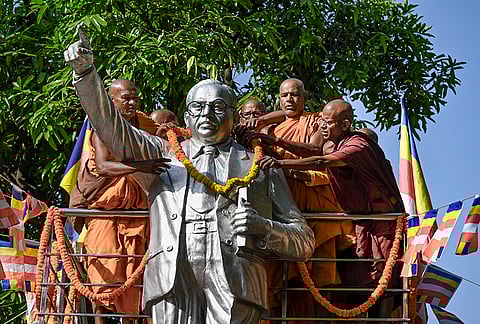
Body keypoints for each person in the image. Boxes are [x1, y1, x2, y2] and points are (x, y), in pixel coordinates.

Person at [64, 29, 315, 324]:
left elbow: (304, 242)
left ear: (233, 118)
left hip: (237, 285)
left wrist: (263, 227)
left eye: (218, 107)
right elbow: (110, 124)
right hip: (171, 282)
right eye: (198, 107)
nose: (206, 114)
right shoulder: (161, 155)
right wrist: (86, 72)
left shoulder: (259, 166)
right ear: (186, 117)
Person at [257, 99, 405, 321]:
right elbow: (315, 148)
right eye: (322, 122)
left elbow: (318, 161)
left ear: (345, 125)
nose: (322, 126)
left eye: (328, 122)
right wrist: (266, 131)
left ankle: (381, 321)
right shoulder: (335, 142)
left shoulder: (357, 146)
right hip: (360, 220)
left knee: (381, 271)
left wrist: (280, 164)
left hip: (382, 219)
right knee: (360, 272)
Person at [238, 79, 355, 322]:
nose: (290, 100)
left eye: (295, 95)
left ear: (304, 96)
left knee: (320, 275)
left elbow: (314, 151)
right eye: (285, 95)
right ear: (279, 99)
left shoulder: (315, 121)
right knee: (279, 275)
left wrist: (275, 143)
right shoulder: (273, 128)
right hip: (283, 204)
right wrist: (262, 125)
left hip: (313, 203)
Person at [69, 79, 169, 324]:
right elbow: (102, 166)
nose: (132, 102)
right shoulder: (103, 128)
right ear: (110, 100)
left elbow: (167, 141)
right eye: (126, 98)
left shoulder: (144, 125)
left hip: (138, 214)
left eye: (135, 97)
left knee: (136, 277)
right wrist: (140, 166)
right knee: (104, 275)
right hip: (105, 213)